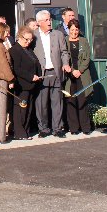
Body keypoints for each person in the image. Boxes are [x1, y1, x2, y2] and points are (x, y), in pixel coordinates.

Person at [33, 9, 71, 138]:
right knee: (41, 103)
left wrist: (65, 64)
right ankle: (43, 129)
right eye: (47, 20)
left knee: (57, 102)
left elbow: (64, 52)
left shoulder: (58, 34)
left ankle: (58, 128)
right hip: (42, 74)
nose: (50, 22)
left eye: (50, 19)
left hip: (56, 72)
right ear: (39, 22)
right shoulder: (33, 36)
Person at [9, 26, 42, 140]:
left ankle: (26, 131)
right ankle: (19, 133)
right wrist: (30, 76)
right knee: (21, 109)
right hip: (22, 85)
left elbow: (35, 64)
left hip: (32, 84)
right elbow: (17, 69)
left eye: (30, 40)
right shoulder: (15, 50)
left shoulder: (28, 50)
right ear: (19, 37)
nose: (28, 42)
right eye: (26, 39)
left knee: (28, 109)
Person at [65, 19, 92, 135]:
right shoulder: (64, 41)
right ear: (68, 30)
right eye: (72, 30)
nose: (74, 32)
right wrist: (72, 70)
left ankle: (85, 127)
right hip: (69, 76)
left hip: (82, 75)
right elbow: (63, 56)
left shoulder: (84, 41)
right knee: (71, 101)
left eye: (76, 29)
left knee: (82, 100)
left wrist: (79, 70)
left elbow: (87, 58)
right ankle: (74, 128)